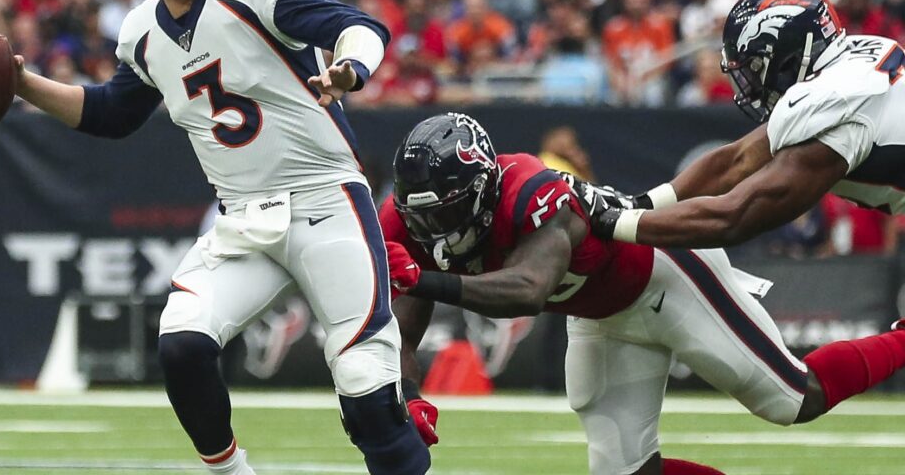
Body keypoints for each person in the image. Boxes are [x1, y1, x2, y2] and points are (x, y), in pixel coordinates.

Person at [3, 0, 429, 475]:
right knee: (181, 344)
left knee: (367, 387)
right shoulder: (143, 32)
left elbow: (358, 26)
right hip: (243, 221)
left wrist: (350, 69)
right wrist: (23, 83)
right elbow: (111, 113)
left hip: (324, 200)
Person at [378, 112, 905, 475]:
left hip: (665, 273)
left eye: (446, 212)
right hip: (597, 315)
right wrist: (410, 392)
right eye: (421, 216)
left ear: (483, 190)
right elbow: (405, 317)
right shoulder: (409, 217)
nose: (434, 229)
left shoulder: (533, 191)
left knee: (792, 397)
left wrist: (422, 278)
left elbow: (527, 290)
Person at [576, 0, 905, 250]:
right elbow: (738, 159)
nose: (749, 83)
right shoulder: (849, 62)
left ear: (790, 56)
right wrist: (639, 205)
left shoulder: (837, 105)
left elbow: (733, 218)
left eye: (756, 66)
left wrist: (611, 223)